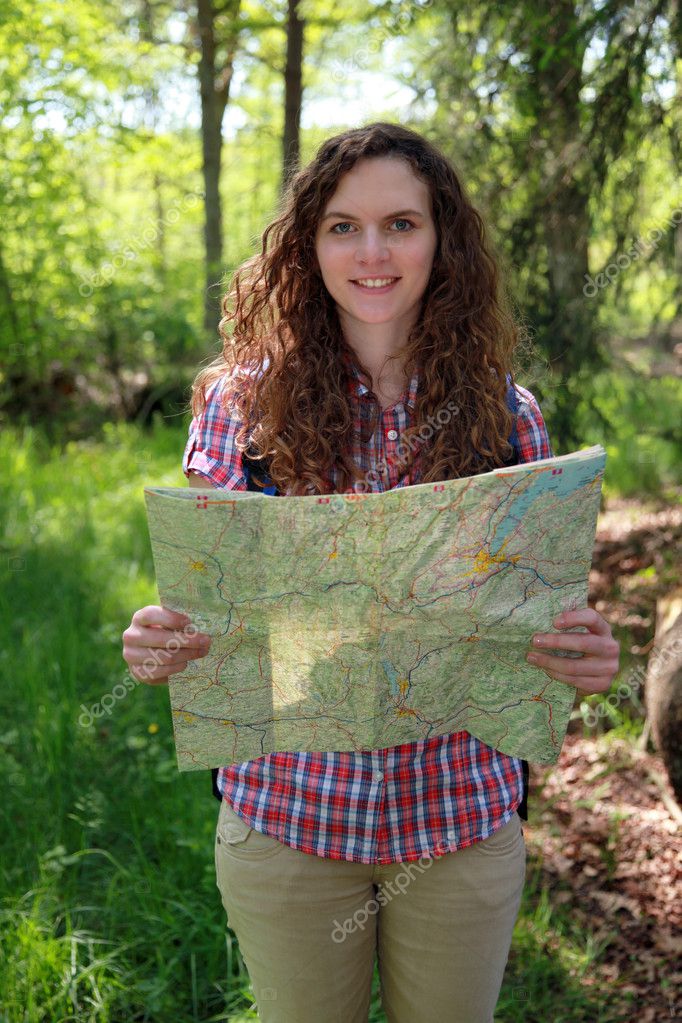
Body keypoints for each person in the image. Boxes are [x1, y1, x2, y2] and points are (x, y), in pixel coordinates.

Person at [122, 122, 620, 1023]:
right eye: (343, 227)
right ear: (308, 248)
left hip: (459, 824)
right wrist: (162, 641)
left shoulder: (511, 420)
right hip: (289, 820)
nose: (374, 251)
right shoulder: (241, 404)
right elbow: (206, 615)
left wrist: (582, 655)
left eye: (402, 223)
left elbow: (538, 631)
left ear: (444, 240)